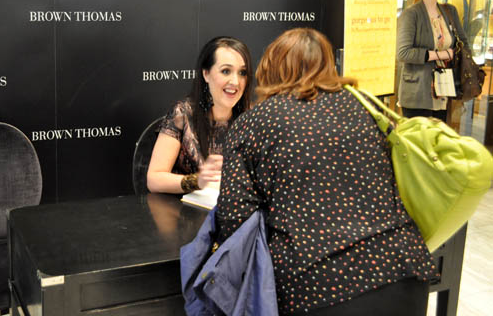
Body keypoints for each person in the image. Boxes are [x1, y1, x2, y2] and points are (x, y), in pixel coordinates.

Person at [216, 28, 437, 315]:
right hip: (403, 269)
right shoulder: (366, 105)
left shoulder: (253, 123)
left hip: (318, 285)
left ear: (269, 67)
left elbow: (235, 220)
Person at [147, 36, 253, 194]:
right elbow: (154, 179)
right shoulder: (183, 114)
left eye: (242, 72)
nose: (235, 82)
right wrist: (197, 180)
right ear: (206, 74)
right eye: (226, 71)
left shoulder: (252, 117)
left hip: (237, 212)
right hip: (187, 213)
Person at [397, 0, 469, 121]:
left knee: (438, 142)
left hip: (444, 90)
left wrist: (457, 57)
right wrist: (440, 55)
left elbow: (464, 44)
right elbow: (403, 53)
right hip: (417, 93)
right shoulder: (411, 14)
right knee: (418, 144)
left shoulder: (449, 11)